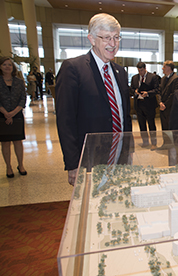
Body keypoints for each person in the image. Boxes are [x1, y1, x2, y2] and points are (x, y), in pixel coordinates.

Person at [56, 13, 132, 185]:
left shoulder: (120, 72)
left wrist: (128, 150)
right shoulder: (73, 69)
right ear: (91, 38)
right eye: (106, 38)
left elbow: (124, 115)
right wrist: (73, 164)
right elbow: (65, 121)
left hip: (119, 156)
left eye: (116, 37)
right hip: (89, 158)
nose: (112, 44)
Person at [0, 57, 27, 178]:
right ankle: (8, 167)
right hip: (2, 115)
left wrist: (13, 113)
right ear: (0, 67)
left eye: (9, 65)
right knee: (5, 142)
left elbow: (23, 98)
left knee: (18, 141)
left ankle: (20, 165)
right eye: (4, 65)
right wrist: (6, 113)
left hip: (17, 115)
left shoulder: (19, 82)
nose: (7, 67)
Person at [130, 62, 159, 150]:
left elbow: (157, 89)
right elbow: (131, 89)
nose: (140, 72)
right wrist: (134, 92)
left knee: (151, 124)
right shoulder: (134, 78)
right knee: (142, 125)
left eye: (141, 70)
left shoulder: (152, 77)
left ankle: (154, 143)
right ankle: (145, 142)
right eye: (139, 70)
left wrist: (148, 93)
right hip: (139, 104)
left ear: (145, 68)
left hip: (149, 104)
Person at [158, 60, 178, 147]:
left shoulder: (176, 79)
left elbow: (174, 94)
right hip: (162, 107)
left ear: (169, 68)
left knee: (170, 127)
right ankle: (165, 143)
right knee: (164, 127)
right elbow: (159, 91)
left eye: (164, 67)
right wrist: (160, 102)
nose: (162, 68)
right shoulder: (163, 79)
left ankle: (172, 145)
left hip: (170, 108)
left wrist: (165, 105)